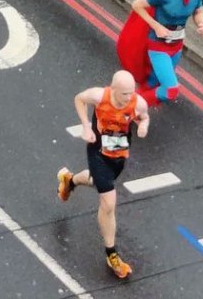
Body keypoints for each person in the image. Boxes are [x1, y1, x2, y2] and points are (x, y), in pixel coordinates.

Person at [57, 71, 150, 281]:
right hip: (98, 152)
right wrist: (86, 126)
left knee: (97, 181)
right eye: (125, 94)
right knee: (108, 202)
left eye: (131, 93)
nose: (129, 97)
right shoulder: (100, 96)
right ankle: (112, 255)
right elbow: (79, 99)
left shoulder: (138, 102)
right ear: (113, 89)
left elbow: (144, 116)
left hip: (119, 155)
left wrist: (143, 125)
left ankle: (69, 180)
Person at [116, 0, 203, 106]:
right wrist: (156, 26)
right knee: (171, 90)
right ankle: (129, 106)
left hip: (176, 47)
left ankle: (136, 108)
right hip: (158, 48)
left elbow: (198, 10)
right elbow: (137, 5)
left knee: (154, 83)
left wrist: (201, 23)